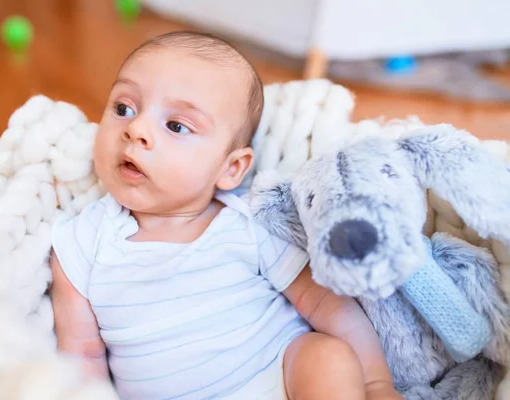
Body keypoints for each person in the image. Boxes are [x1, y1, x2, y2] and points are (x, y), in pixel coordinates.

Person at [50, 30, 402, 400]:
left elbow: (326, 304)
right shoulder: (81, 242)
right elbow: (81, 356)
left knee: (325, 356)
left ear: (231, 168)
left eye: (176, 126)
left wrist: (377, 383)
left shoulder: (246, 224)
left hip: (277, 379)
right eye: (124, 108)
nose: (135, 130)